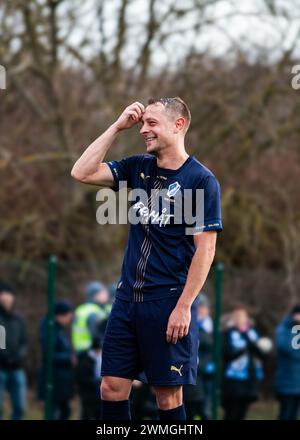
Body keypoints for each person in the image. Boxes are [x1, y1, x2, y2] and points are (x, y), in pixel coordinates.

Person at [71, 97, 222, 420]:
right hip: (126, 300)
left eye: (152, 123)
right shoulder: (137, 167)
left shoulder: (200, 180)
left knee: (167, 395)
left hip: (167, 302)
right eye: (142, 123)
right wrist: (116, 126)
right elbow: (81, 172)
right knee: (110, 387)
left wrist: (184, 307)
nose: (144, 130)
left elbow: (205, 252)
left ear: (178, 125)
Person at [222, 305, 267, 420]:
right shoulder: (228, 333)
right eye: (237, 316)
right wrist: (244, 347)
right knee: (231, 412)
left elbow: (262, 355)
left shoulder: (253, 333)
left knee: (243, 411)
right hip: (233, 380)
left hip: (250, 378)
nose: (240, 319)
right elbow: (226, 354)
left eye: (242, 316)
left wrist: (255, 346)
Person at [38, 300, 75, 420]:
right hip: (54, 379)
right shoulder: (50, 329)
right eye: (69, 316)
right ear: (60, 315)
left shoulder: (58, 329)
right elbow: (49, 354)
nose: (70, 319)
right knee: (55, 412)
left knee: (64, 411)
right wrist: (68, 358)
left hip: (60, 380)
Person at [0, 282, 27, 420]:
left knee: (20, 407)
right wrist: (5, 357)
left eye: (8, 294)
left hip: (17, 368)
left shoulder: (19, 319)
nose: (5, 297)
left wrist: (19, 356)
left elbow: (24, 342)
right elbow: (1, 344)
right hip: (1, 368)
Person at [275, 304, 300, 420]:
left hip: (297, 383)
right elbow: (287, 348)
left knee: (294, 414)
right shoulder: (285, 329)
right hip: (287, 382)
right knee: (286, 414)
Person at [72, 281, 111, 353]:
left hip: (82, 351)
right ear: (96, 295)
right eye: (103, 293)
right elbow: (96, 335)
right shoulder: (92, 311)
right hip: (91, 352)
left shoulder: (83, 309)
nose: (106, 295)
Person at [76, 337, 103, 420]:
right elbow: (82, 379)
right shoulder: (86, 360)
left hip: (99, 395)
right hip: (88, 394)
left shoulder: (100, 359)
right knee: (86, 415)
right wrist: (97, 381)